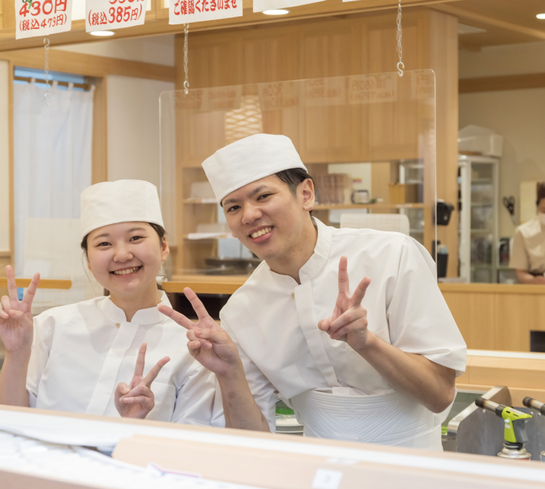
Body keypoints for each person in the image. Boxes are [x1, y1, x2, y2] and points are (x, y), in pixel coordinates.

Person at [159, 134, 466, 450]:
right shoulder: (241, 311)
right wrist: (229, 372)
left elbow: (440, 395)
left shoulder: (392, 255)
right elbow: (254, 440)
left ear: (306, 194)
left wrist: (368, 343)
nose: (248, 215)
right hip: (317, 465)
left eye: (263, 196)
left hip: (413, 461)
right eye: (233, 206)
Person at [0, 180, 223, 426]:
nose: (122, 255)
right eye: (104, 244)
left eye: (136, 238)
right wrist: (16, 353)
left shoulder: (193, 347)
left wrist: (135, 424)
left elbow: (194, 439)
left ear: (163, 247)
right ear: (88, 260)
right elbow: (3, 423)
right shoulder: (51, 326)